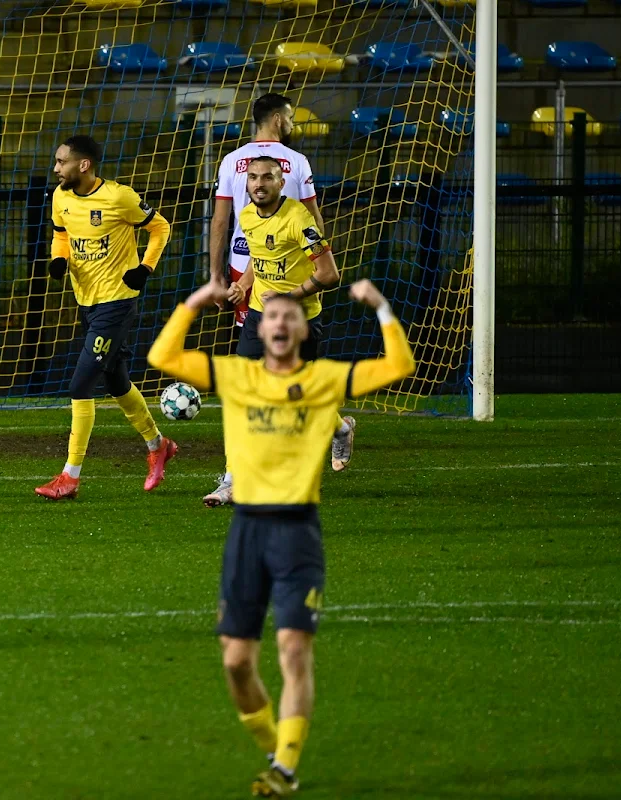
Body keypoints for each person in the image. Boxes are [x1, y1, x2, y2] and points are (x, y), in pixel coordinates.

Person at [147, 279, 415, 797]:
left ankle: (285, 769)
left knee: (293, 652)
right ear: (259, 327)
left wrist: (381, 306)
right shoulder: (237, 375)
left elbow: (398, 366)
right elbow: (163, 355)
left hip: (296, 534)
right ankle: (277, 751)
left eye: (290, 317)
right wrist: (193, 305)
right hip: (246, 531)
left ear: (302, 330)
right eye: (272, 316)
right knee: (237, 663)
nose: (280, 323)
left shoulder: (323, 382)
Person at [204, 94, 354, 508]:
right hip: (258, 314)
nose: (257, 185)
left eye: (266, 179)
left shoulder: (300, 220)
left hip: (300, 318)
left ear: (280, 181)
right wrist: (242, 285)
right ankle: (233, 479)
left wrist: (291, 294)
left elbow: (330, 275)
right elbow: (257, 253)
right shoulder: (249, 215)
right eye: (252, 180)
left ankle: (338, 428)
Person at [34, 134, 175, 501]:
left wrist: (145, 267)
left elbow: (160, 227)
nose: (55, 168)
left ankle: (70, 475)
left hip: (117, 304)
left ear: (83, 165)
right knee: (117, 382)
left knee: (81, 385)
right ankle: (158, 445)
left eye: (61, 161)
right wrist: (59, 259)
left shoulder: (119, 197)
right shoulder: (61, 197)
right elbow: (61, 235)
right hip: (87, 301)